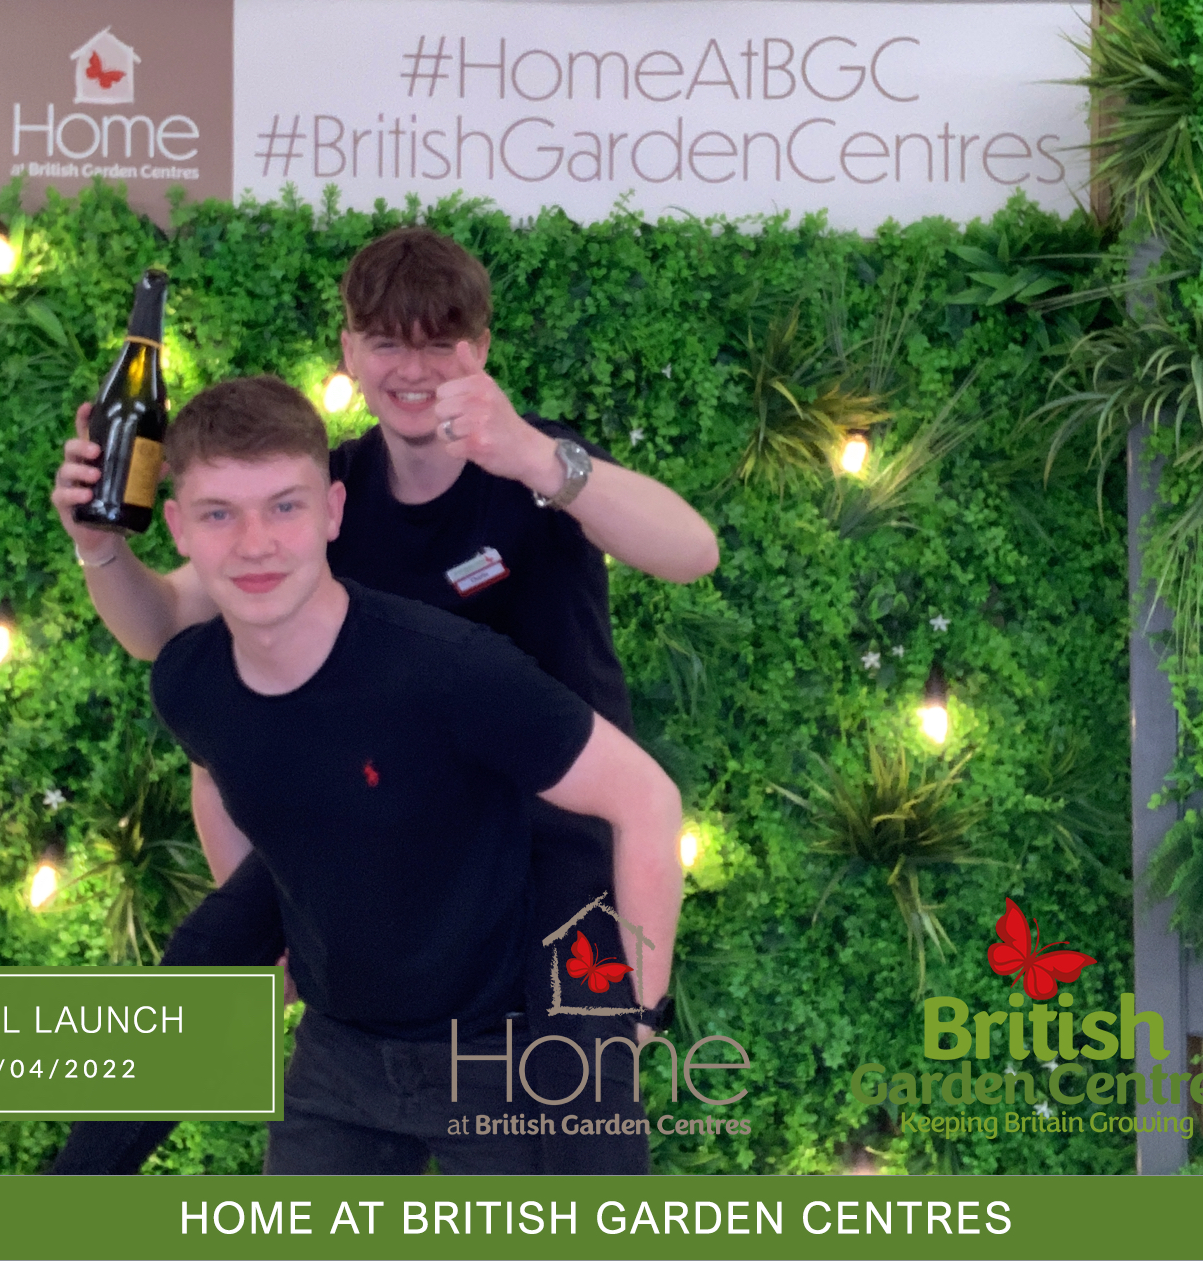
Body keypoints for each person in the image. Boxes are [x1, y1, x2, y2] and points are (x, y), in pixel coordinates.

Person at [48, 227, 717, 1174]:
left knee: (586, 1094)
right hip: (383, 821)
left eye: (439, 343)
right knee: (203, 968)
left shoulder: (535, 469)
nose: (413, 368)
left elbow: (693, 553)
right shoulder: (328, 494)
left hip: (546, 830)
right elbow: (164, 626)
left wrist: (535, 458)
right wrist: (100, 545)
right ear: (350, 352)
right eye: (387, 342)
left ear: (480, 350)